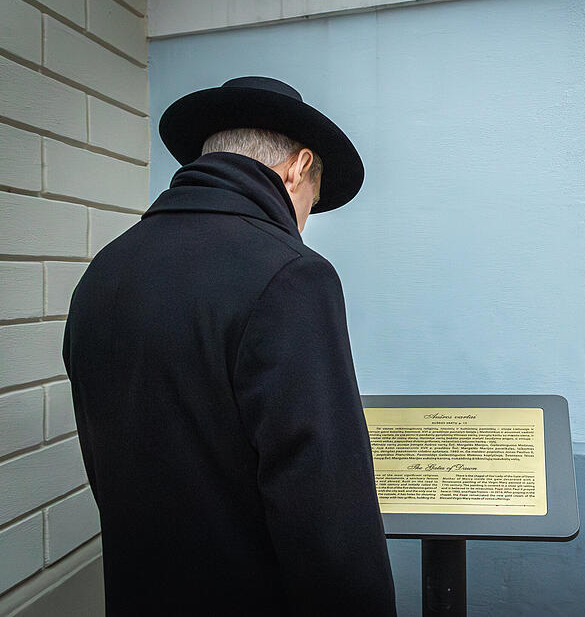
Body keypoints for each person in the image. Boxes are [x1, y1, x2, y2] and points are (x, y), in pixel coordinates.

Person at [63, 77, 397, 615]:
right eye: (312, 200)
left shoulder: (105, 271)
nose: (303, 223)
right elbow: (327, 511)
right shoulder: (292, 276)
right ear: (297, 167)